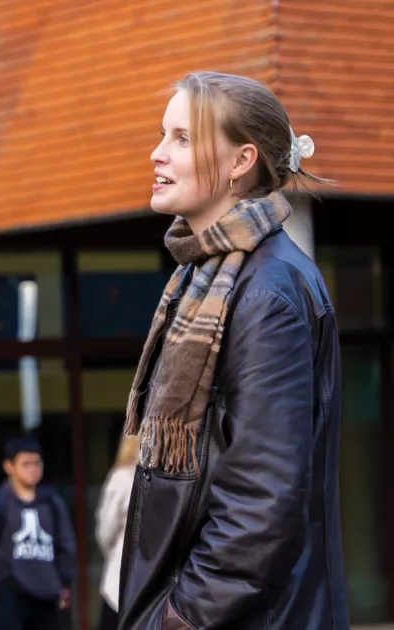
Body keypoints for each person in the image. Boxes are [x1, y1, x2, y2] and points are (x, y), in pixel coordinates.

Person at [117, 70, 346, 629]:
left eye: (182, 138)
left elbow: (262, 502)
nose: (157, 153)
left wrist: (179, 619)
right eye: (163, 134)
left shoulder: (267, 292)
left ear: (242, 161)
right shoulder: (205, 278)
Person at [0, 436, 76, 630]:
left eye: (37, 463)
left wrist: (64, 581)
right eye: (25, 464)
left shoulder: (52, 503)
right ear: (9, 466)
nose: (32, 469)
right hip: (11, 593)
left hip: (48, 592)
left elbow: (66, 544)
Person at [95, 435, 138, 630]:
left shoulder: (122, 478)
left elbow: (105, 532)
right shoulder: (123, 478)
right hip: (124, 581)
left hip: (125, 577)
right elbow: (106, 532)